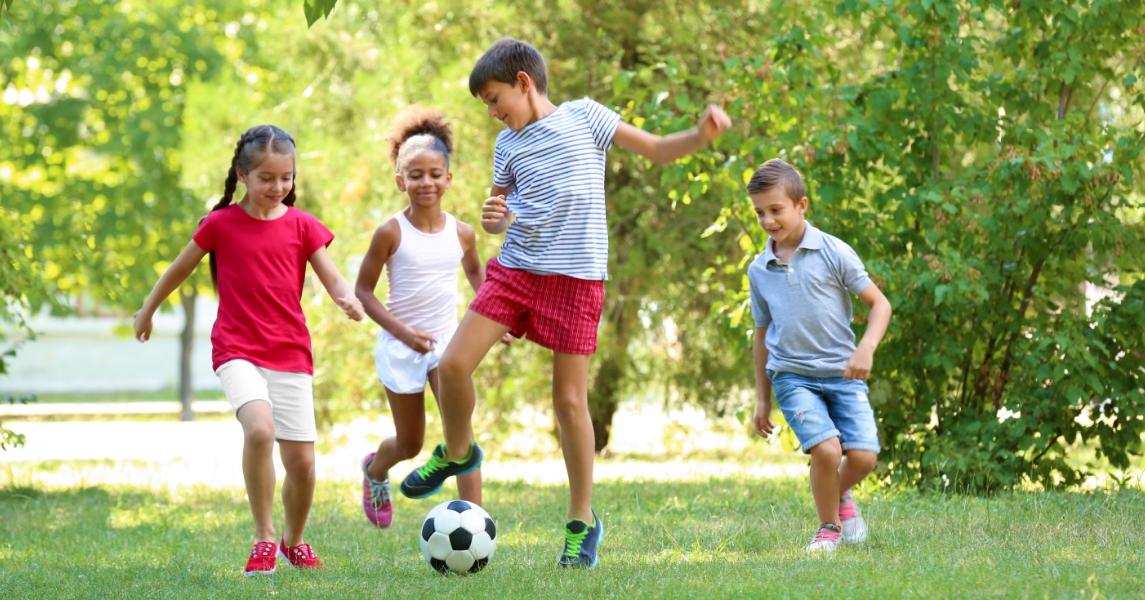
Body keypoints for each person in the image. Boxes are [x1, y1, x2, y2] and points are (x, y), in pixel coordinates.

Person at [398, 37, 731, 568]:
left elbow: (655, 149)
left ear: (524, 83)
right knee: (454, 365)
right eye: (484, 104)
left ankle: (581, 523)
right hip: (516, 271)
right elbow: (504, 211)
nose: (491, 112)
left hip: (576, 280)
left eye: (493, 98)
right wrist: (495, 220)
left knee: (570, 403)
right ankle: (456, 452)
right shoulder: (507, 146)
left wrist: (700, 134)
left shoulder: (586, 117)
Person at [133, 125, 365, 575]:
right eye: (266, 178)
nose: (278, 187)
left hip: (290, 351)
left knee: (301, 464)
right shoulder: (220, 224)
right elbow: (179, 269)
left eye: (286, 178)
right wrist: (147, 310)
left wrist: (346, 298)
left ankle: (292, 540)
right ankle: (262, 537)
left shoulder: (303, 225)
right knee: (259, 430)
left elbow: (331, 275)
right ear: (242, 174)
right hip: (237, 347)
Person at [354, 106, 507, 528]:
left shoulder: (462, 232)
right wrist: (403, 333)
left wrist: (495, 316)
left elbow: (477, 272)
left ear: (449, 178)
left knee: (461, 436)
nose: (427, 182)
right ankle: (375, 470)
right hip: (400, 345)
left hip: (447, 345)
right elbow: (363, 293)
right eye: (416, 175)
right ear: (400, 180)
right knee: (410, 443)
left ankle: (474, 522)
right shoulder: (390, 232)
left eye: (435, 173)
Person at [746, 158, 892, 553]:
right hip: (791, 375)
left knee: (863, 457)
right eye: (760, 212)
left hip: (843, 372)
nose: (768, 220)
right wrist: (763, 397)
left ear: (801, 205)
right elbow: (761, 335)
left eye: (776, 210)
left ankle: (838, 495)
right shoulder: (759, 269)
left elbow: (880, 305)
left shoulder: (833, 251)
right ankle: (828, 527)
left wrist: (866, 348)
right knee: (826, 451)